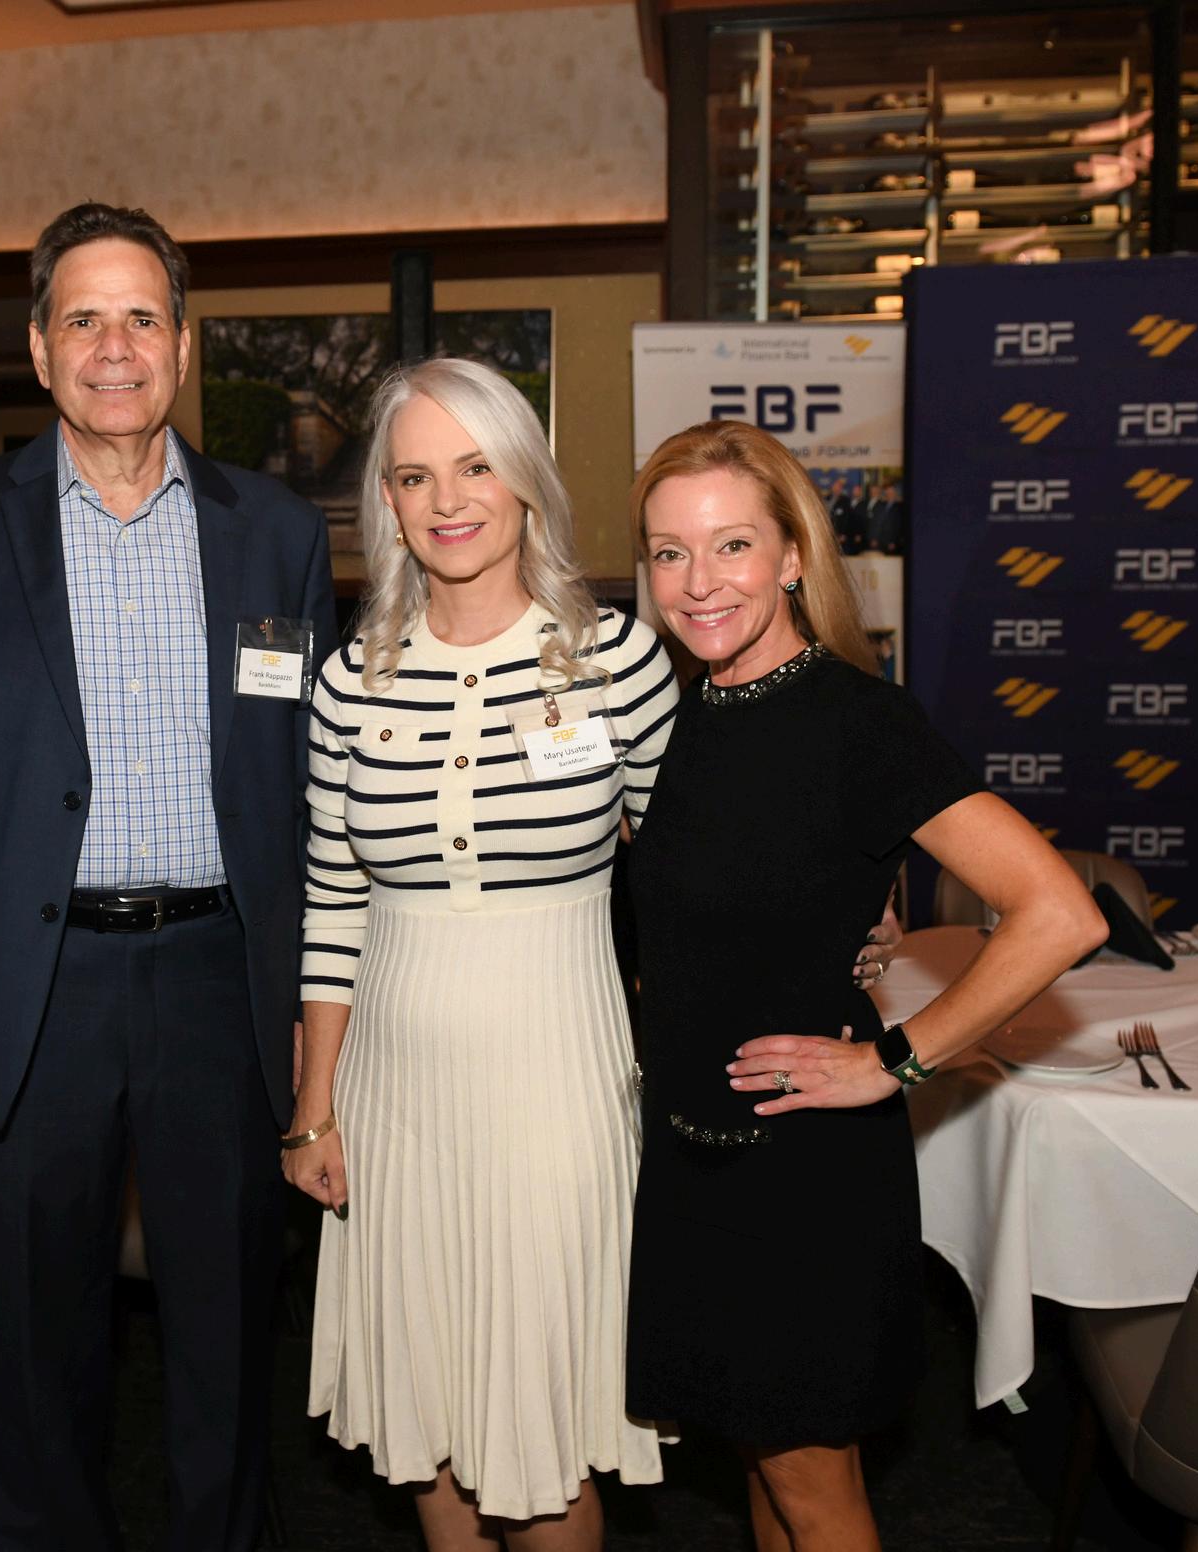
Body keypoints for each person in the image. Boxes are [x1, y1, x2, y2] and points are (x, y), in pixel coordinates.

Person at [287, 364, 891, 1548]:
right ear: (386, 503)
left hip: (562, 1089)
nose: (448, 500)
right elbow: (332, 901)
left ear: (526, 481)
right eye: (414, 475)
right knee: (427, 1414)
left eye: (476, 466)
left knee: (543, 1432)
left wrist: (838, 924)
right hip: (393, 1096)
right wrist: (315, 1110)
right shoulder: (350, 682)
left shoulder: (618, 659)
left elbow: (703, 860)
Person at [0, 202, 336, 1551]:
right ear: (37, 347)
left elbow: (313, 786)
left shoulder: (275, 530)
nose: (113, 347)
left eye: (141, 318)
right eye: (83, 319)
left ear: (182, 345)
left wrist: (322, 1014)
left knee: (227, 1342)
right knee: (35, 1347)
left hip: (221, 984)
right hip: (28, 990)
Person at [623, 419, 1105, 1552]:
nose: (700, 582)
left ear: (793, 555)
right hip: (694, 1157)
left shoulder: (859, 722)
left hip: (803, 1174)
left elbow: (1059, 912)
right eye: (670, 552)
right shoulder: (684, 719)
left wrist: (893, 1059)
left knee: (811, 1485)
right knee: (763, 1463)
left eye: (733, 545)